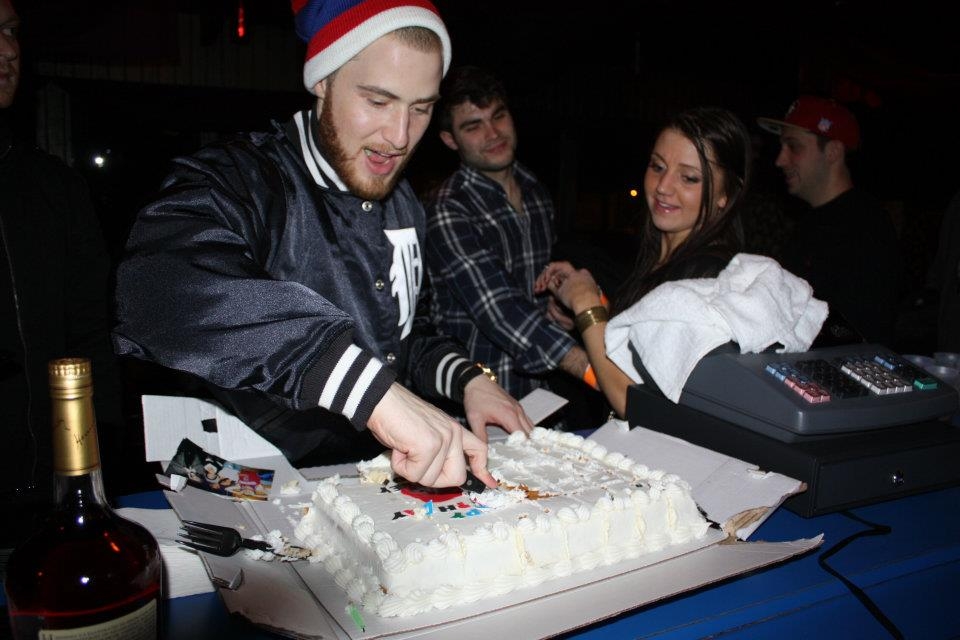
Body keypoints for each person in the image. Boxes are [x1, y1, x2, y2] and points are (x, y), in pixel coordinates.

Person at [112, 0, 533, 490]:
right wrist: (366, 390)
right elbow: (157, 285)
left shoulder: (403, 203)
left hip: (357, 478)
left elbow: (402, 333)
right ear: (322, 81)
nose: (398, 137)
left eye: (420, 109)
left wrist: (466, 380)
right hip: (241, 479)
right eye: (378, 102)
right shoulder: (247, 178)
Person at [535, 107, 752, 417]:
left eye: (689, 178)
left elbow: (632, 400)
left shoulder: (707, 277)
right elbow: (639, 351)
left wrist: (586, 303)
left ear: (726, 195)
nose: (663, 186)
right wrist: (586, 311)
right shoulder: (663, 257)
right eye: (657, 166)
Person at [1, 0, 123, 544]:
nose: (7, 51)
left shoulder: (53, 186)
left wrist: (103, 468)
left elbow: (93, 334)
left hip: (50, 498)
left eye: (10, 32)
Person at [424, 65, 592, 406]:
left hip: (542, 396)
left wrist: (558, 305)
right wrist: (593, 367)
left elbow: (527, 291)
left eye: (498, 116)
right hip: (476, 403)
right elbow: (499, 309)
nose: (493, 133)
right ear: (449, 140)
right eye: (473, 126)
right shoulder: (449, 209)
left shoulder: (535, 192)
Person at [757, 95, 902, 345]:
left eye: (794, 146)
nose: (780, 160)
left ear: (833, 151)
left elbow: (859, 335)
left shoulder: (864, 227)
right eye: (782, 147)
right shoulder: (811, 221)